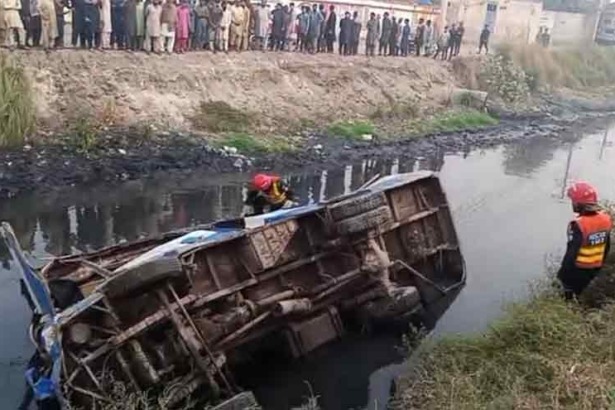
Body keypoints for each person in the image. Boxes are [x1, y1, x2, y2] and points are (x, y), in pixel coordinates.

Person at [558, 181, 612, 299]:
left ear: (578, 203)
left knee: (569, 296)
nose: (572, 203)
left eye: (573, 201)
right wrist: (599, 266)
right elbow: (607, 246)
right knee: (581, 292)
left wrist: (562, 275)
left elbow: (571, 253)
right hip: (594, 269)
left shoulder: (578, 224)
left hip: (578, 270)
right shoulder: (606, 219)